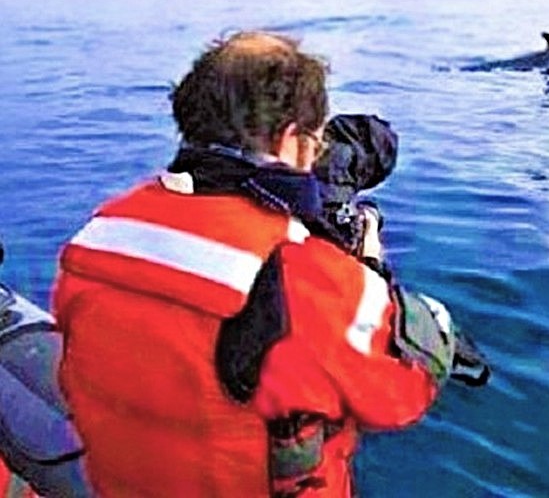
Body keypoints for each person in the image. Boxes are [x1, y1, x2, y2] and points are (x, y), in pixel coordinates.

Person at [51, 31, 458, 497]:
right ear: (291, 141)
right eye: (317, 141)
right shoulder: (303, 272)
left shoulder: (99, 233)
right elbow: (404, 393)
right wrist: (367, 267)